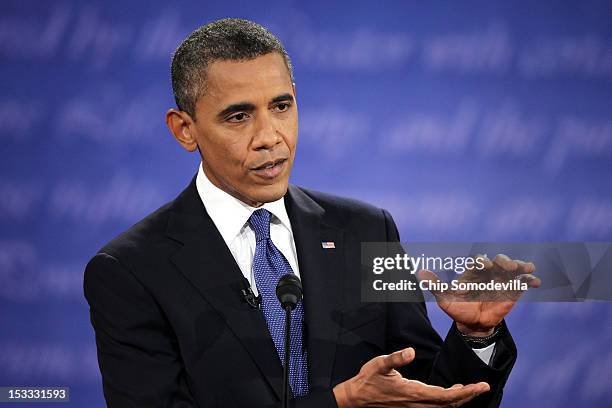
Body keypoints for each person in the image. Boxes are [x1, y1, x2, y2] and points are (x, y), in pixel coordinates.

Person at [83, 18, 539, 408]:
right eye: (238, 116)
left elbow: (425, 395)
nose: (270, 136)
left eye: (281, 106)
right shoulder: (130, 270)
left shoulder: (365, 230)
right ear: (185, 129)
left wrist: (474, 336)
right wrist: (337, 404)